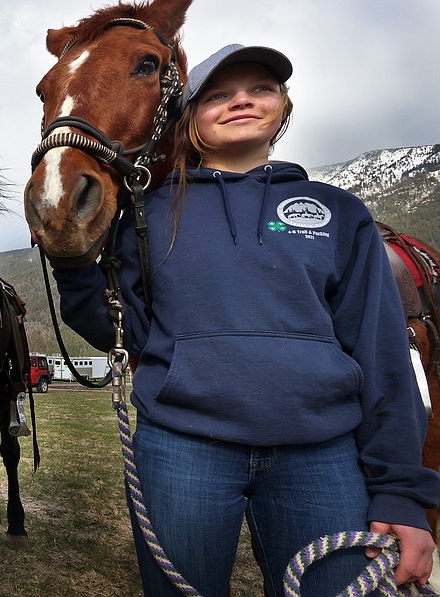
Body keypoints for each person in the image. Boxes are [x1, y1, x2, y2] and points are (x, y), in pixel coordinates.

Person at [53, 44, 440, 595]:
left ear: (283, 105)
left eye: (260, 88)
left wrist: (402, 492)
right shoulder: (148, 213)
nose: (240, 101)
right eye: (217, 95)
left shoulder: (338, 212)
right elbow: (126, 332)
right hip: (183, 447)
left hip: (322, 454)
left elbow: (380, 356)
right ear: (190, 116)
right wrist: (71, 265)